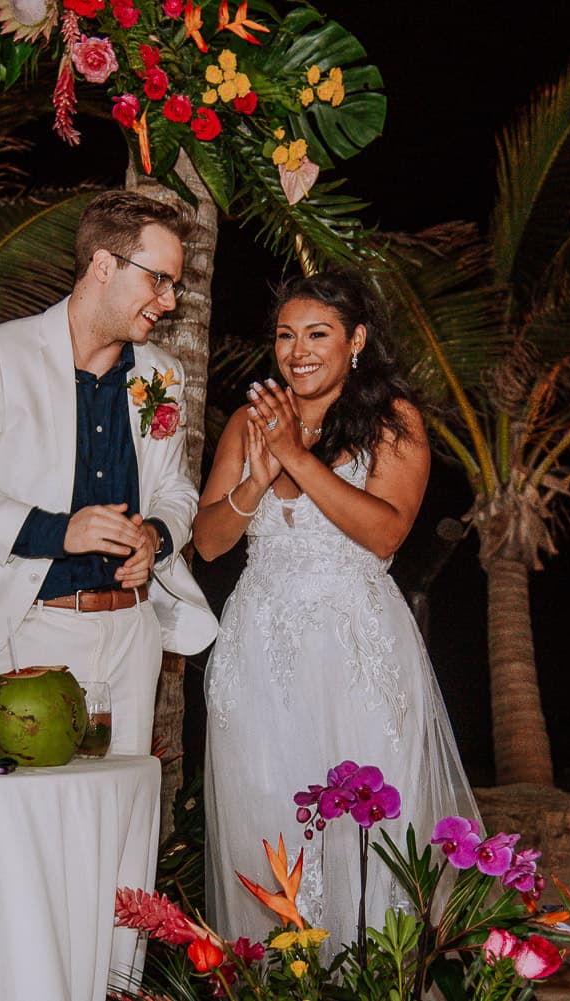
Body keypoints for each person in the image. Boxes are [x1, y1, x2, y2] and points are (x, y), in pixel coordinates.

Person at [194, 268, 481, 949]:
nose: (298, 351)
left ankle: (375, 977)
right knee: (266, 820)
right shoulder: (248, 420)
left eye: (317, 333)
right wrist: (257, 478)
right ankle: (279, 984)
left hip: (356, 648)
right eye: (285, 336)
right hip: (260, 651)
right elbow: (208, 542)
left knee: (370, 828)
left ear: (355, 340)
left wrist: (297, 454)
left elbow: (385, 530)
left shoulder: (394, 417)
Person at [0, 191, 218, 756]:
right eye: (158, 280)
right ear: (103, 265)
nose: (169, 301)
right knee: (6, 831)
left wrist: (158, 535)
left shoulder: (162, 376)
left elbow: (176, 491)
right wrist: (59, 531)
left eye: (174, 285)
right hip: (17, 632)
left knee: (115, 831)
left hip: (130, 638)